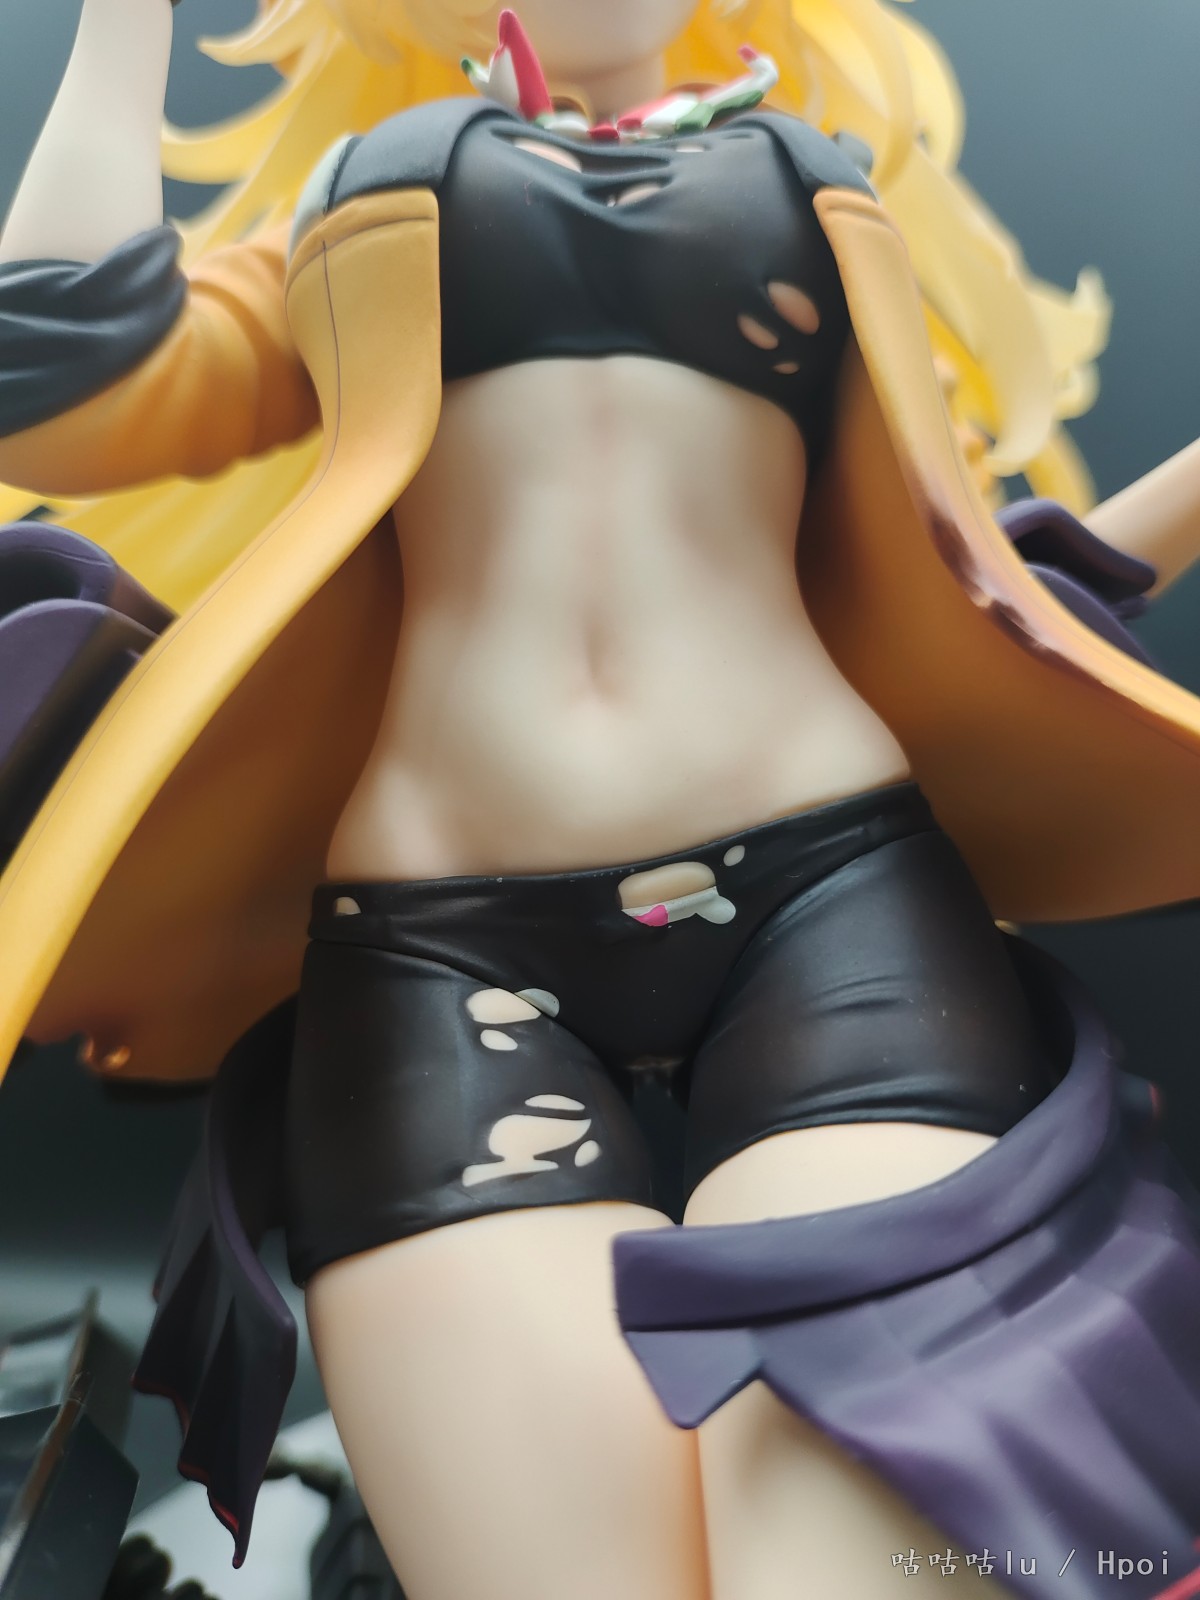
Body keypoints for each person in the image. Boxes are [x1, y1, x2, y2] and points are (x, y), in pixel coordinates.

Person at [1, 3, 1199, 1598]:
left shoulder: (818, 190)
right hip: (441, 954)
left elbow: (976, 573)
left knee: (857, 1549)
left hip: (831, 900)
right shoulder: (362, 200)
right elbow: (62, 372)